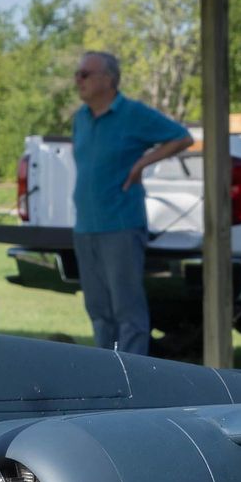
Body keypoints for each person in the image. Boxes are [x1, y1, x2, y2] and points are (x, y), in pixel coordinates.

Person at [70, 50, 194, 355]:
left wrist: (142, 163)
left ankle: (133, 375)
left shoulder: (132, 114)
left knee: (127, 311)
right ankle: (106, 371)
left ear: (108, 79)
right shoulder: (80, 118)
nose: (78, 80)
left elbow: (181, 138)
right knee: (98, 310)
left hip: (121, 226)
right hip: (85, 228)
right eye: (77, 74)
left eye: (85, 74)